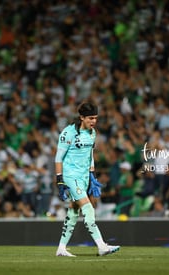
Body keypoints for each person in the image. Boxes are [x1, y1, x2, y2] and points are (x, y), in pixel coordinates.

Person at [55, 102, 120, 257]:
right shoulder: (68, 133)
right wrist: (60, 179)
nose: (93, 121)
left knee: (74, 210)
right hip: (71, 176)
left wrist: (92, 175)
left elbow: (90, 155)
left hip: (84, 176)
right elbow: (58, 158)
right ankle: (101, 246)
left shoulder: (92, 133)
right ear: (82, 117)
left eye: (95, 118)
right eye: (90, 118)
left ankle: (61, 248)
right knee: (88, 208)